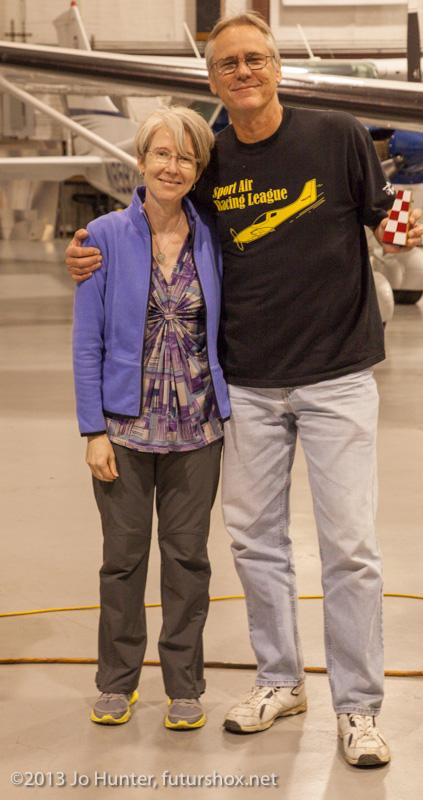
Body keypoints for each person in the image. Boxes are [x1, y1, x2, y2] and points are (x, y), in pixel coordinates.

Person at [66, 13, 423, 766]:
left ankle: (358, 708)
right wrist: (87, 248)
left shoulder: (336, 136)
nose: (243, 72)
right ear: (212, 79)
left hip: (336, 376)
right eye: (227, 63)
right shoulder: (211, 161)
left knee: (350, 548)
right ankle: (280, 680)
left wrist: (409, 229)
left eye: (255, 58)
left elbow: (384, 216)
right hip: (249, 386)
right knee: (256, 543)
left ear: (277, 66)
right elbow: (155, 215)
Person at [72, 106, 229, 731]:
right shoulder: (103, 236)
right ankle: (117, 682)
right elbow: (86, 341)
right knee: (123, 560)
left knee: (188, 560)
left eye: (186, 157)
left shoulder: (213, 236)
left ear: (198, 169)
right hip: (125, 433)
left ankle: (184, 686)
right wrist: (93, 430)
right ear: (141, 160)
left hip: (198, 431)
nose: (172, 166)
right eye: (162, 153)